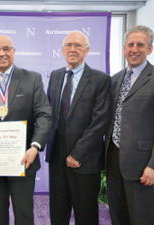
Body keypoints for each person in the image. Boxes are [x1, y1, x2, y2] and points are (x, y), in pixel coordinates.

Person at [0, 35, 51, 225]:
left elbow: (44, 115)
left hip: (23, 161)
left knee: (24, 215)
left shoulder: (32, 78)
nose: (2, 53)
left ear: (14, 52)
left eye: (6, 49)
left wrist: (35, 146)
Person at [105, 25, 154, 225]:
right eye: (130, 44)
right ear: (124, 48)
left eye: (140, 44)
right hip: (114, 163)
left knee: (143, 219)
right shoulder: (114, 80)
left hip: (143, 165)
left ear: (150, 49)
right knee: (118, 217)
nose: (134, 49)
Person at [45, 30, 110, 225]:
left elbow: (100, 121)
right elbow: (49, 113)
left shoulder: (101, 79)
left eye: (78, 46)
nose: (73, 49)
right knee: (58, 210)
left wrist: (78, 154)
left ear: (86, 50)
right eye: (68, 46)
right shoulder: (56, 76)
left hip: (85, 158)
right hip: (57, 154)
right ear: (62, 50)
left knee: (86, 213)